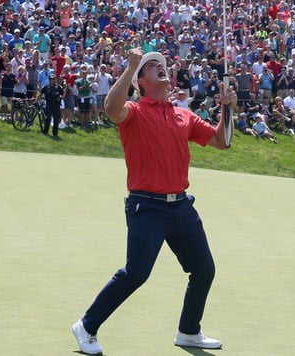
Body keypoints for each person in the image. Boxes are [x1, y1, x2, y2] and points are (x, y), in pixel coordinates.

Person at [71, 48, 235, 355]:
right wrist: (131, 64)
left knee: (204, 270)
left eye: (163, 65)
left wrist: (228, 109)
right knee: (137, 273)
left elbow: (222, 142)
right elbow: (110, 108)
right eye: (151, 66)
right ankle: (86, 326)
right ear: (140, 82)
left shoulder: (183, 114)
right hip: (146, 206)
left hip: (182, 207)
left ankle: (188, 331)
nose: (161, 68)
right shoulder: (133, 111)